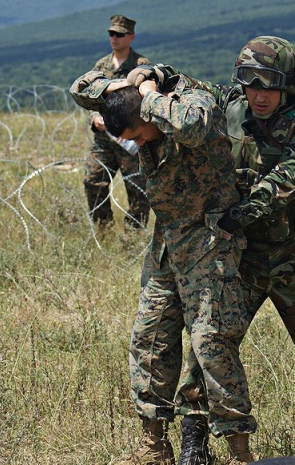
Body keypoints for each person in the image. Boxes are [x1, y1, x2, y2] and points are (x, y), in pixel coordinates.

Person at [128, 37, 295, 464]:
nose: (260, 95)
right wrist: (158, 75)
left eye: (270, 87)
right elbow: (193, 86)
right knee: (208, 343)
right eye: (252, 86)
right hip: (242, 256)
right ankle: (195, 436)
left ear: (289, 88)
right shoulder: (230, 105)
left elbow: (290, 177)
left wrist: (240, 211)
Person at [70, 70, 257, 464]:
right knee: (150, 340)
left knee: (212, 346)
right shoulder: (142, 100)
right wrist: (129, 84)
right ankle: (154, 447)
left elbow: (192, 126)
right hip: (167, 245)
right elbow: (81, 89)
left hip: (209, 243)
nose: (136, 146)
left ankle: (239, 453)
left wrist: (149, 96)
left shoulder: (193, 101)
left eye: (137, 137)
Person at [83, 15, 150, 230]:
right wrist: (95, 118)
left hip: (130, 138)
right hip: (104, 139)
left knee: (137, 188)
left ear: (131, 37)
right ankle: (103, 229)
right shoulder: (101, 65)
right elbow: (90, 97)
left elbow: (146, 100)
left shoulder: (141, 66)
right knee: (93, 181)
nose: (114, 38)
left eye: (119, 34)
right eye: (111, 33)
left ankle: (134, 232)